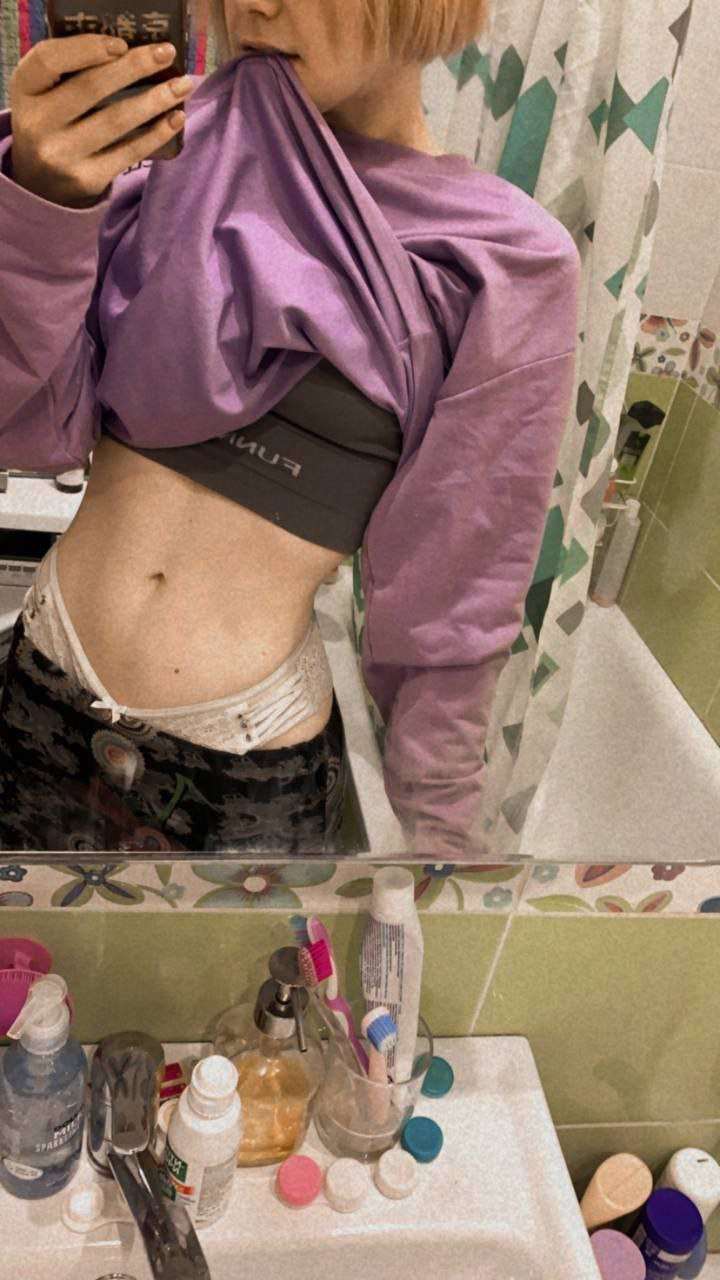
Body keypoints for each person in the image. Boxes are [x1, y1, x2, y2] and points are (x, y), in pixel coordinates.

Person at [0, 0, 580, 858]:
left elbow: (451, 598)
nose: (255, 6)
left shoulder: (507, 259)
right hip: (33, 690)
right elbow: (27, 427)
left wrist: (439, 847)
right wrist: (42, 200)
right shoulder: (165, 150)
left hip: (241, 767)